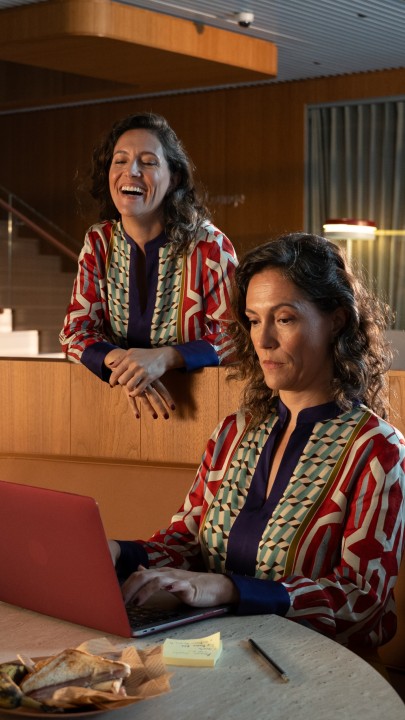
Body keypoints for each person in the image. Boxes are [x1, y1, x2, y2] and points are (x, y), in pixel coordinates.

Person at [109, 232, 405, 651]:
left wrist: (229, 589)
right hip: (218, 651)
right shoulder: (233, 432)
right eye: (253, 320)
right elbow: (186, 543)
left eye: (284, 319)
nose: (263, 340)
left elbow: (362, 602)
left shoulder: (379, 450)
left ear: (336, 321)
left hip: (321, 669)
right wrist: (115, 553)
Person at [60, 112, 237, 419]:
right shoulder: (98, 243)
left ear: (174, 179)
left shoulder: (210, 246)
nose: (131, 171)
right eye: (120, 160)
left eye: (148, 162)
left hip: (202, 410)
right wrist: (127, 366)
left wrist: (164, 358)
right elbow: (74, 332)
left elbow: (236, 337)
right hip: (116, 410)